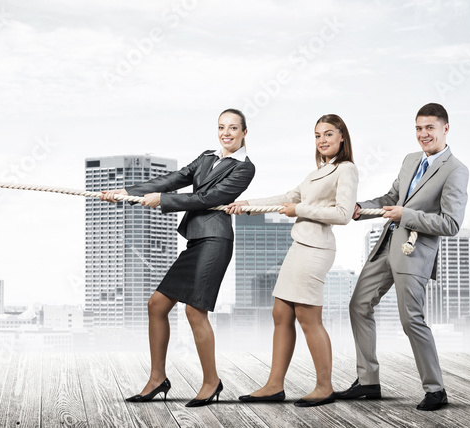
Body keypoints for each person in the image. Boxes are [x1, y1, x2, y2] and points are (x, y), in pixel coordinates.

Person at [100, 108, 255, 407]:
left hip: (215, 240)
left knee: (194, 312)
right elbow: (175, 178)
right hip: (196, 240)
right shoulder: (207, 157)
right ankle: (158, 378)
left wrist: (163, 202)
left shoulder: (245, 168)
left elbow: (208, 199)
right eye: (222, 127)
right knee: (157, 304)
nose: (226, 133)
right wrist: (125, 191)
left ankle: (212, 382)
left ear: (244, 133)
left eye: (233, 128)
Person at [335, 102, 468, 412]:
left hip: (414, 252)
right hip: (386, 246)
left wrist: (406, 215)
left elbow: (451, 223)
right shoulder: (410, 161)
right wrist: (360, 207)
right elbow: (391, 199)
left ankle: (436, 390)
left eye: (430, 128)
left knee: (411, 320)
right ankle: (368, 380)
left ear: (445, 129)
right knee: (358, 304)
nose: (423, 134)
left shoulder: (456, 170)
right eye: (419, 128)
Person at [226, 114, 358, 407]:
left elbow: (343, 214)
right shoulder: (316, 172)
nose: (322, 140)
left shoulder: (346, 170)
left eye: (328, 134)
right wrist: (248, 205)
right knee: (281, 313)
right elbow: (288, 196)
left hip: (316, 248)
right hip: (299, 246)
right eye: (317, 135)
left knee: (308, 318)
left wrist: (300, 208)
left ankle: (324, 387)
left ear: (342, 138)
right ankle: (274, 385)